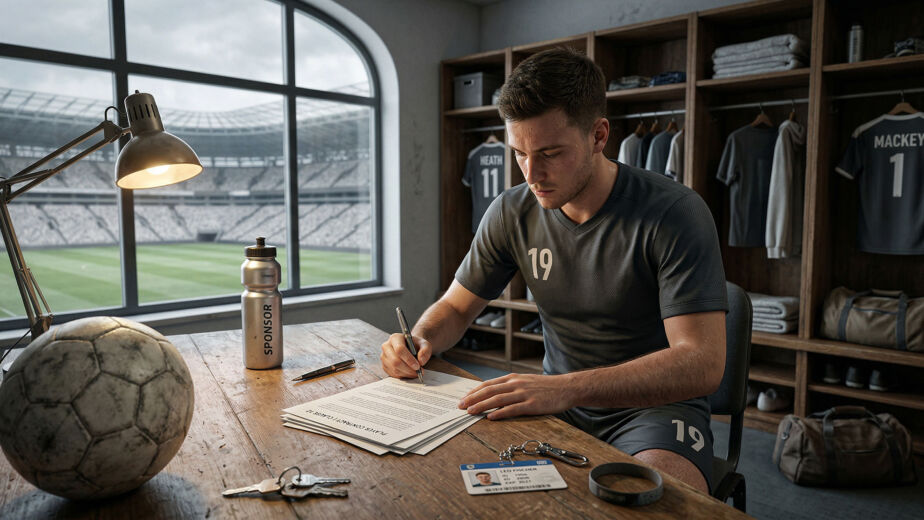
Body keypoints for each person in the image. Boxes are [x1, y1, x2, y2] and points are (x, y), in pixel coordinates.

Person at [381, 48, 727, 494]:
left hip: (655, 410)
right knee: (449, 480)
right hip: (555, 401)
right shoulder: (510, 211)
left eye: (549, 153)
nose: (531, 172)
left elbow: (701, 363)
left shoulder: (675, 213)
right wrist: (421, 339)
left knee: (652, 500)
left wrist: (566, 388)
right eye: (520, 153)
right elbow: (456, 307)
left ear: (599, 135)